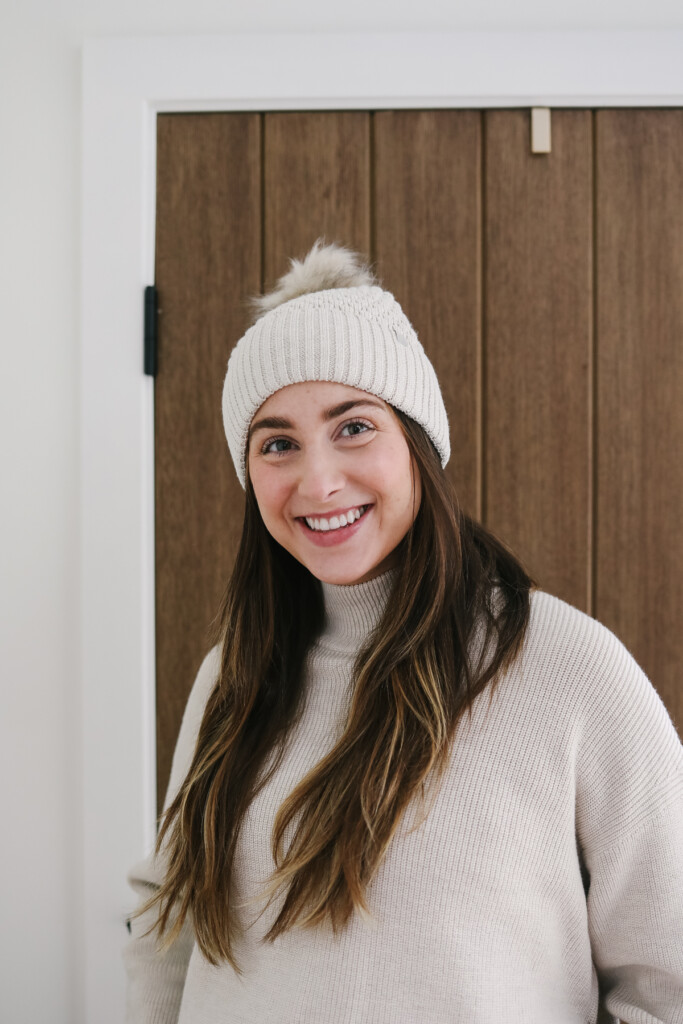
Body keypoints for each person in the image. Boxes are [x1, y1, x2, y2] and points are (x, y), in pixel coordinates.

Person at [123, 239, 683, 1024]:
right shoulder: (233, 675)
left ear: (417, 444)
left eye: (353, 427)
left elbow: (668, 979)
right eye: (277, 443)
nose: (317, 481)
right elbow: (171, 922)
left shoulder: (568, 669)